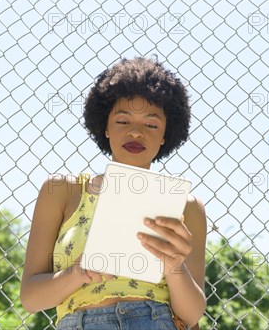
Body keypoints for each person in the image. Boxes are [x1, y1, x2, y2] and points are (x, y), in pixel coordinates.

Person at [20, 57, 207, 329]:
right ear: (105, 126)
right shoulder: (61, 191)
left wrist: (174, 266)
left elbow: (191, 315)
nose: (135, 132)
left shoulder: (187, 206)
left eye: (151, 124)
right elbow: (31, 299)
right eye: (122, 120)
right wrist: (78, 272)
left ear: (166, 133)